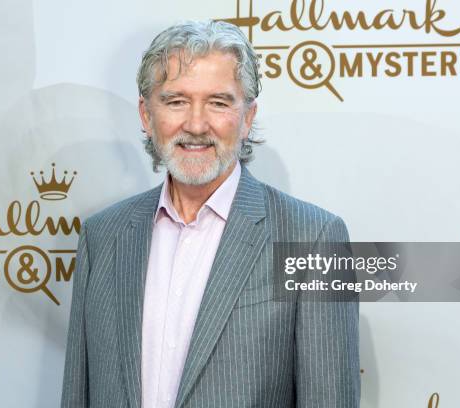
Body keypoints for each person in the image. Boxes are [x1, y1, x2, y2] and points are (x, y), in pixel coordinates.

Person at [61, 20, 360, 408]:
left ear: (248, 117)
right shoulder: (103, 237)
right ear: (147, 116)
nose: (197, 124)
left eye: (218, 102)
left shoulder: (313, 238)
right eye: (176, 101)